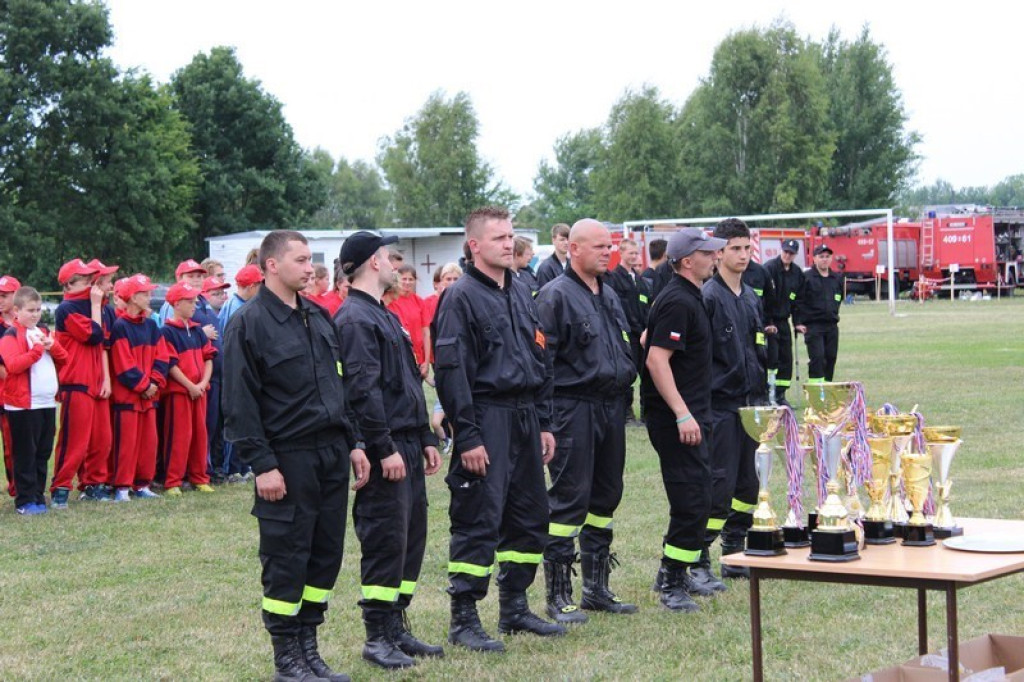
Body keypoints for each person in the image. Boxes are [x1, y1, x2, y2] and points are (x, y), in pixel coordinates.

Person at [223, 229, 368, 682]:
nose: (311, 268)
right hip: (287, 458)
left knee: (325, 555)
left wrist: (355, 442)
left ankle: (310, 648)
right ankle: (287, 657)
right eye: (302, 260)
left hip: (330, 452)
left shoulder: (318, 317)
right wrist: (262, 464)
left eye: (310, 260)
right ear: (272, 265)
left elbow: (339, 387)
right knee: (288, 557)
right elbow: (239, 403)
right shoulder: (248, 324)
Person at [434, 205, 564, 652]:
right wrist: (467, 435)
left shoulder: (521, 289)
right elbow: (452, 372)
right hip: (487, 417)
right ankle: (465, 617)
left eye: (511, 236)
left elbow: (540, 358)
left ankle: (515, 606)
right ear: (475, 246)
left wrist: (544, 423)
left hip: (526, 416)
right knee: (478, 517)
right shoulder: (461, 297)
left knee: (529, 515)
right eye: (498, 238)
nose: (509, 243)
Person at [335, 231, 444, 669]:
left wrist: (426, 437)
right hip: (387, 447)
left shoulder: (385, 314)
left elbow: (406, 386)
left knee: (409, 539)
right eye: (386, 255)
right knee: (384, 538)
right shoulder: (355, 319)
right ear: (371, 263)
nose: (394, 263)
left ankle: (397, 627)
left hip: (407, 441)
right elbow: (363, 392)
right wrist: (383, 448)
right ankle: (377, 636)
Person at [536, 219, 638, 625]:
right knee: (568, 499)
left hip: (610, 408)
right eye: (598, 246)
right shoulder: (554, 297)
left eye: (609, 246)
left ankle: (597, 587)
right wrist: (546, 420)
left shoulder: (609, 293)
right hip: (571, 408)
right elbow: (543, 364)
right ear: (573, 249)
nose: (606, 252)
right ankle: (558, 594)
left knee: (606, 496)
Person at [640, 228, 725, 613]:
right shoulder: (678, 299)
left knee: (699, 494)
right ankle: (671, 581)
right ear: (688, 261)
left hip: (693, 412)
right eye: (708, 253)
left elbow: (648, 339)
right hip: (678, 418)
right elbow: (656, 359)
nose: (715, 258)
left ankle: (678, 570)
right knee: (691, 498)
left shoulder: (689, 296)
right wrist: (682, 413)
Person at [700, 218, 769, 587]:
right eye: (735, 249)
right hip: (720, 405)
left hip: (751, 404)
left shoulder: (752, 297)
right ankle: (699, 557)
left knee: (748, 484)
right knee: (719, 484)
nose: (743, 255)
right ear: (719, 252)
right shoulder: (708, 297)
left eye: (747, 247)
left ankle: (734, 551)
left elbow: (758, 350)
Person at [0, 286, 67, 515]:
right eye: (30, 310)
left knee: (42, 451)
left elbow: (64, 358)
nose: (35, 314)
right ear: (17, 311)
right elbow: (14, 365)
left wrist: (53, 346)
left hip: (46, 403)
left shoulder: (43, 331)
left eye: (38, 309)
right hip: (22, 405)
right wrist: (38, 350)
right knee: (25, 453)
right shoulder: (10, 335)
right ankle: (25, 500)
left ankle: (38, 495)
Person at [51, 259, 110, 504]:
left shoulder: (93, 305)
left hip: (95, 380)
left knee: (102, 439)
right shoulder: (66, 309)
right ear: (69, 284)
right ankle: (61, 488)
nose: (90, 284)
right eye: (84, 280)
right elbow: (93, 335)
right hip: (76, 380)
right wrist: (96, 305)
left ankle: (93, 484)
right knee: (74, 440)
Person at [109, 275, 167, 502]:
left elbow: (163, 357)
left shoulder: (152, 325)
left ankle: (142, 484)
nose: (150, 297)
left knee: (148, 442)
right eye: (145, 294)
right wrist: (144, 386)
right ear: (133, 297)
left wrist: (154, 383)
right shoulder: (120, 327)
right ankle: (122, 486)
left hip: (149, 397)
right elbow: (123, 365)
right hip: (128, 398)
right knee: (127, 443)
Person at [159, 282, 216, 496]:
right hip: (178, 393)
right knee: (178, 436)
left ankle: (199, 477)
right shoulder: (166, 331)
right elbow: (171, 364)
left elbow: (208, 358)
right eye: (190, 301)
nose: (195, 305)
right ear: (176, 303)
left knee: (200, 435)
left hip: (199, 391)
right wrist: (190, 385)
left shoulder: (197, 330)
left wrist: (201, 384)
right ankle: (173, 480)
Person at [605, 237, 652, 424]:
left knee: (647, 374)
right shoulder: (614, 278)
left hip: (643, 334)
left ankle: (646, 411)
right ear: (621, 253)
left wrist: (647, 328)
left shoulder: (640, 281)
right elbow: (620, 308)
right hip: (627, 334)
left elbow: (647, 305)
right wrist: (633, 329)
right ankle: (626, 412)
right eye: (630, 253)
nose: (634, 257)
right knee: (627, 374)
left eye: (636, 253)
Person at [763, 239, 805, 405]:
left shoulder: (797, 273)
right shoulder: (769, 269)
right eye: (786, 251)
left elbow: (798, 301)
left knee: (786, 359)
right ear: (781, 250)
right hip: (769, 321)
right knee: (771, 359)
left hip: (784, 321)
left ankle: (780, 395)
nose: (788, 255)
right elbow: (763, 298)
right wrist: (767, 322)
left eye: (791, 253)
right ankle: (767, 394)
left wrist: (798, 322)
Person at [793, 244, 843, 383]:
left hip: (831, 325)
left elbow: (839, 298)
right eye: (821, 256)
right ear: (814, 258)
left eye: (827, 256)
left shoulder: (836, 278)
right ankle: (816, 391)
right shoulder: (806, 278)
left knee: (830, 358)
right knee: (818, 358)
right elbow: (798, 301)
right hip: (813, 325)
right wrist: (797, 322)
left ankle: (827, 389)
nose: (824, 260)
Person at [0, 274, 22, 499]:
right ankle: (16, 485)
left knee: (16, 444)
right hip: (5, 391)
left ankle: (20, 486)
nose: (1, 300)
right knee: (10, 445)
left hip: (18, 395)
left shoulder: (25, 324)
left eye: (5, 295)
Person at [388, 265, 430, 379]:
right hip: (399, 358)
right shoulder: (391, 301)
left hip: (418, 359)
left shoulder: (419, 302)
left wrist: (426, 361)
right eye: (404, 278)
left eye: (411, 279)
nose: (407, 282)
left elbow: (426, 333)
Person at [536, 223, 570, 288]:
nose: (566, 242)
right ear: (553, 240)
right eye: (562, 239)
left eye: (568, 239)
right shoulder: (545, 268)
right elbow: (544, 294)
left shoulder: (573, 265)